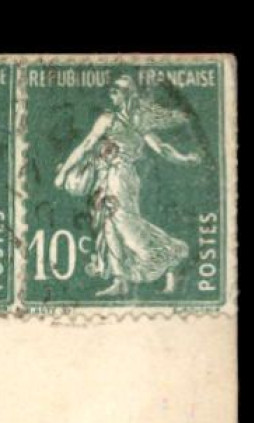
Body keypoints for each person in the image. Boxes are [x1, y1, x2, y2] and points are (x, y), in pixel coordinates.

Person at [54, 74, 201, 297]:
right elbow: (85, 146)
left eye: (118, 90)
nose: (112, 93)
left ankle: (170, 256)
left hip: (122, 177)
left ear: (129, 94)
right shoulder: (107, 119)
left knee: (126, 224)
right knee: (108, 225)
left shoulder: (139, 121)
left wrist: (184, 159)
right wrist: (64, 171)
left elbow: (161, 148)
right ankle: (119, 279)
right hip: (104, 178)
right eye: (112, 89)